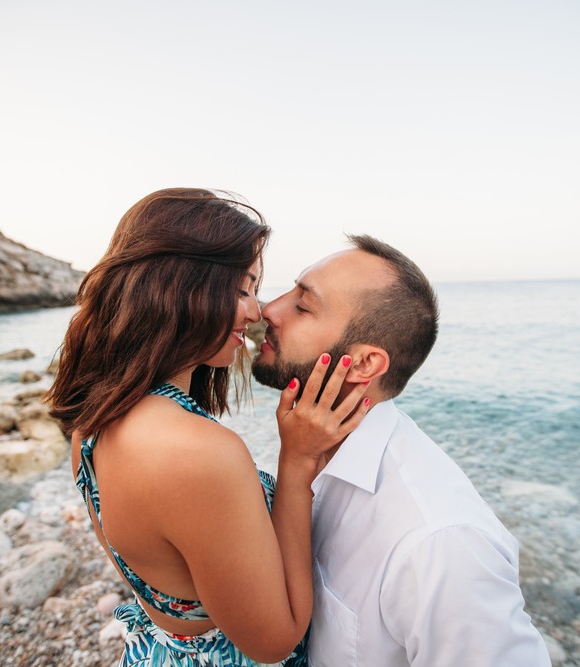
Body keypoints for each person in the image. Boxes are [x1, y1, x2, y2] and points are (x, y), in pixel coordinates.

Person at [46, 188, 370, 666]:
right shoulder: (198, 452)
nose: (257, 311)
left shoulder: (91, 423)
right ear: (180, 285)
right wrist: (297, 463)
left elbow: (153, 577)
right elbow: (272, 642)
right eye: (242, 288)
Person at [252, 234, 552, 666]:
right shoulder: (307, 451)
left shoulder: (437, 541)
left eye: (303, 305)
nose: (269, 310)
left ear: (363, 365)